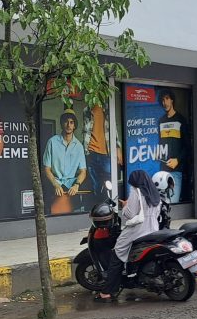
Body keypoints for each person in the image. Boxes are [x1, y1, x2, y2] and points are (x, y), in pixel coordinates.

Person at [97, 170, 161, 301]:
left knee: (117, 254)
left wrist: (125, 206)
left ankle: (108, 292)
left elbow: (130, 214)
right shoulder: (154, 193)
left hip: (137, 230)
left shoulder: (136, 192)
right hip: (153, 229)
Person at [43, 111, 87, 215]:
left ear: (75, 125)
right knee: (54, 211)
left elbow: (83, 171)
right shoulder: (52, 142)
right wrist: (55, 184)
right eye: (66, 122)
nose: (68, 125)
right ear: (62, 123)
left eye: (71, 122)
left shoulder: (79, 146)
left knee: (77, 211)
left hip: (71, 185)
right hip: (55, 183)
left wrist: (76, 185)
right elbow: (46, 169)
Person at [159, 89, 189, 204]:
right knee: (163, 204)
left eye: (167, 99)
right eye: (162, 100)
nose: (164, 102)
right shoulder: (161, 121)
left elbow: (187, 146)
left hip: (176, 170)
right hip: (163, 170)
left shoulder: (181, 120)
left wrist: (178, 160)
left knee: (174, 203)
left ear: (172, 100)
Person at [84, 104, 111, 198]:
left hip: (106, 153)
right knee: (95, 186)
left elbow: (113, 130)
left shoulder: (108, 109)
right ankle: (98, 209)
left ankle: (109, 208)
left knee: (110, 184)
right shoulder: (87, 110)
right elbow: (85, 130)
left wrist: (117, 147)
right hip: (91, 152)